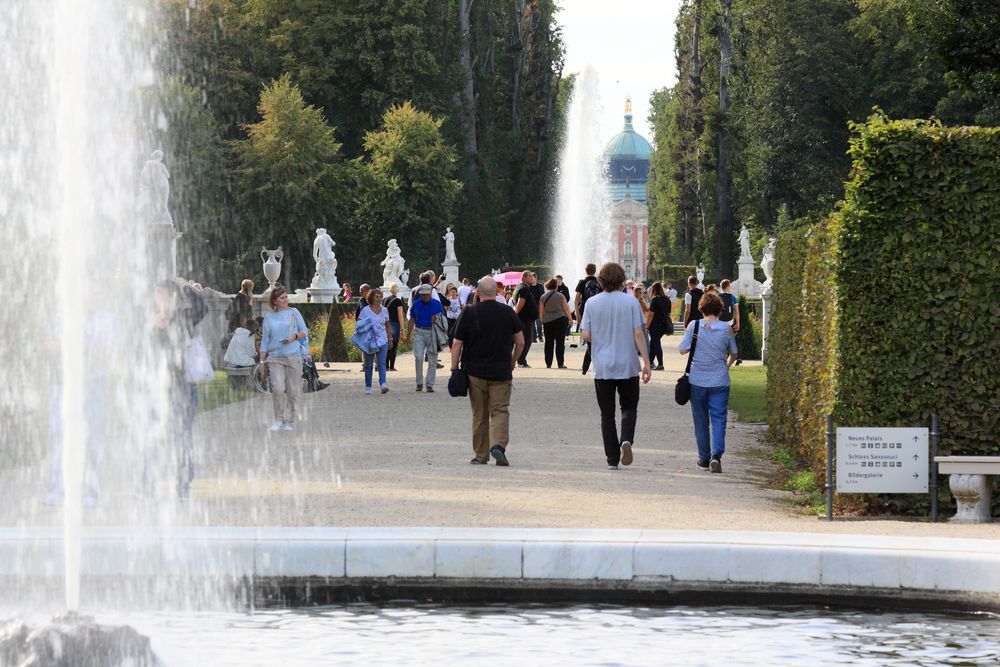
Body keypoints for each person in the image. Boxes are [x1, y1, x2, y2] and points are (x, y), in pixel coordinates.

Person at [581, 262, 652, 470]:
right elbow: (639, 334)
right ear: (622, 280)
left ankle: (612, 458)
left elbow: (585, 335)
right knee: (629, 406)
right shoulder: (630, 302)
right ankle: (627, 439)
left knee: (607, 413)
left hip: (602, 365)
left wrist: (601, 336)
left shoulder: (592, 303)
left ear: (600, 280)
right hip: (627, 363)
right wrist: (646, 362)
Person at [451, 276, 525, 466]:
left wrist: (454, 369)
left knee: (479, 414)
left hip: (474, 371)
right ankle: (498, 445)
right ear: (497, 292)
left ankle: (481, 455)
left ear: (478, 293)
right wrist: (513, 360)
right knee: (500, 410)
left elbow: (457, 343)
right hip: (501, 369)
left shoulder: (469, 313)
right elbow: (520, 341)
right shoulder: (507, 312)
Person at [151, 279, 207, 499]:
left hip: (183, 386)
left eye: (162, 294)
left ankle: (183, 483)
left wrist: (186, 287)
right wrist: (156, 327)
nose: (158, 299)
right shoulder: (152, 321)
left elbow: (202, 307)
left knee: (182, 435)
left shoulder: (184, 318)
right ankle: (148, 484)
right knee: (154, 435)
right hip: (158, 386)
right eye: (157, 295)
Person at [679, 291, 738, 473]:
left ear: (701, 308)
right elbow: (734, 353)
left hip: (697, 380)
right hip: (719, 379)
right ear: (720, 309)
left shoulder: (694, 326)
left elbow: (682, 349)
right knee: (719, 419)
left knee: (701, 420)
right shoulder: (726, 329)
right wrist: (726, 365)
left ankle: (704, 457)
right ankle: (716, 455)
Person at [260, 287, 308, 431]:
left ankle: (290, 421)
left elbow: (304, 332)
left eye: (286, 297)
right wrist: (261, 361)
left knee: (293, 391)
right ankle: (278, 419)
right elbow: (264, 340)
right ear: (274, 301)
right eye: (282, 298)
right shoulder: (269, 317)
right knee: (278, 388)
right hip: (275, 358)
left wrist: (294, 336)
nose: (285, 300)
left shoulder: (294, 313)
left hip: (293, 356)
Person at [406, 283, 446, 392]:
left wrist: (437, 319)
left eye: (427, 295)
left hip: (432, 332)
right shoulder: (416, 304)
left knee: (432, 359)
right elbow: (411, 320)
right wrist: (408, 336)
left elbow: (443, 319)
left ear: (430, 294)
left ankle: (430, 384)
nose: (425, 297)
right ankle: (419, 382)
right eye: (423, 295)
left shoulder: (437, 304)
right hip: (419, 330)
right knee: (418, 357)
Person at [358, 288, 393, 395]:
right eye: (376, 297)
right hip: (369, 340)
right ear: (371, 297)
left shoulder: (385, 310)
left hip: (382, 340)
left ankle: (383, 384)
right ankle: (368, 386)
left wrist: (390, 339)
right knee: (368, 364)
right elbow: (359, 324)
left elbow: (387, 326)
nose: (378, 299)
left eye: (380, 297)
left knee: (382, 363)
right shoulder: (365, 310)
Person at [540, 277, 573, 369]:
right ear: (556, 286)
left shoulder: (543, 297)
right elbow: (566, 309)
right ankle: (560, 363)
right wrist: (570, 319)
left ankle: (548, 363)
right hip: (560, 319)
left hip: (547, 321)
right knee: (560, 342)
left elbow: (541, 311)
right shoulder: (561, 296)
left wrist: (542, 320)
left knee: (548, 343)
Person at [574, 263, 602, 375]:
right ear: (595, 271)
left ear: (585, 271)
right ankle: (587, 367)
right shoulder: (599, 283)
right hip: (598, 314)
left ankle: (586, 367)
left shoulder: (582, 282)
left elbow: (576, 300)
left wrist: (577, 314)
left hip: (586, 313)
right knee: (595, 341)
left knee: (590, 342)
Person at [511, 270, 539, 368]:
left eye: (532, 276)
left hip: (524, 318)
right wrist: (514, 316)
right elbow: (520, 303)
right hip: (524, 319)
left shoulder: (520, 287)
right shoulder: (524, 289)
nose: (532, 278)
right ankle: (521, 360)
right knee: (526, 340)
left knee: (525, 340)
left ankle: (521, 359)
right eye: (529, 276)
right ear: (523, 278)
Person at [647, 282, 673, 370]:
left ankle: (660, 364)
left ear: (653, 290)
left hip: (655, 324)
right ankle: (650, 362)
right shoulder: (667, 300)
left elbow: (651, 315)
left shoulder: (654, 300)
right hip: (663, 325)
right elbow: (669, 314)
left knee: (656, 343)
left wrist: (647, 326)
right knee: (653, 343)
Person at [384, 284, 405, 371]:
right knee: (394, 346)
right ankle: (392, 366)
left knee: (386, 346)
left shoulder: (384, 300)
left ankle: (385, 366)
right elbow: (400, 315)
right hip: (395, 325)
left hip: (386, 324)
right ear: (397, 290)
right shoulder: (398, 301)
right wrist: (403, 329)